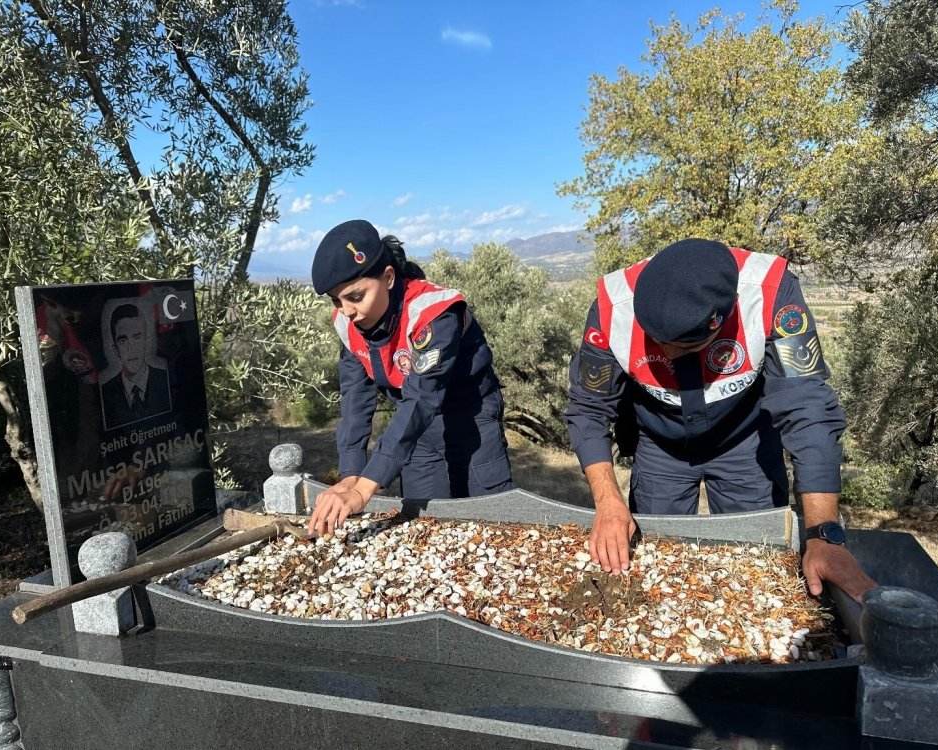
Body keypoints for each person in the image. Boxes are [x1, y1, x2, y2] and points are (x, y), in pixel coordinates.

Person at [564, 238, 876, 602]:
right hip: (661, 449)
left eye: (680, 347)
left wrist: (823, 533)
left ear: (720, 320)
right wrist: (607, 501)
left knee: (759, 566)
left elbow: (808, 409)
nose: (662, 353)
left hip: (747, 445)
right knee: (653, 565)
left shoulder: (771, 292)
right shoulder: (611, 307)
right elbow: (588, 407)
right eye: (654, 339)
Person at [307, 219, 513, 536]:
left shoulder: (434, 313)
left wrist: (364, 489)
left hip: (470, 423)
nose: (346, 311)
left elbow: (423, 397)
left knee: (490, 525)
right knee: (422, 527)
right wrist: (350, 474)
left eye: (356, 297)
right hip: (416, 435)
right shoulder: (348, 324)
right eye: (337, 301)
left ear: (388, 278)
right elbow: (355, 402)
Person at [100, 303, 172, 430]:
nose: (131, 349)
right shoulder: (104, 394)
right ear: (115, 349)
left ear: (146, 342)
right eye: (123, 340)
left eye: (137, 338)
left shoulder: (166, 380)